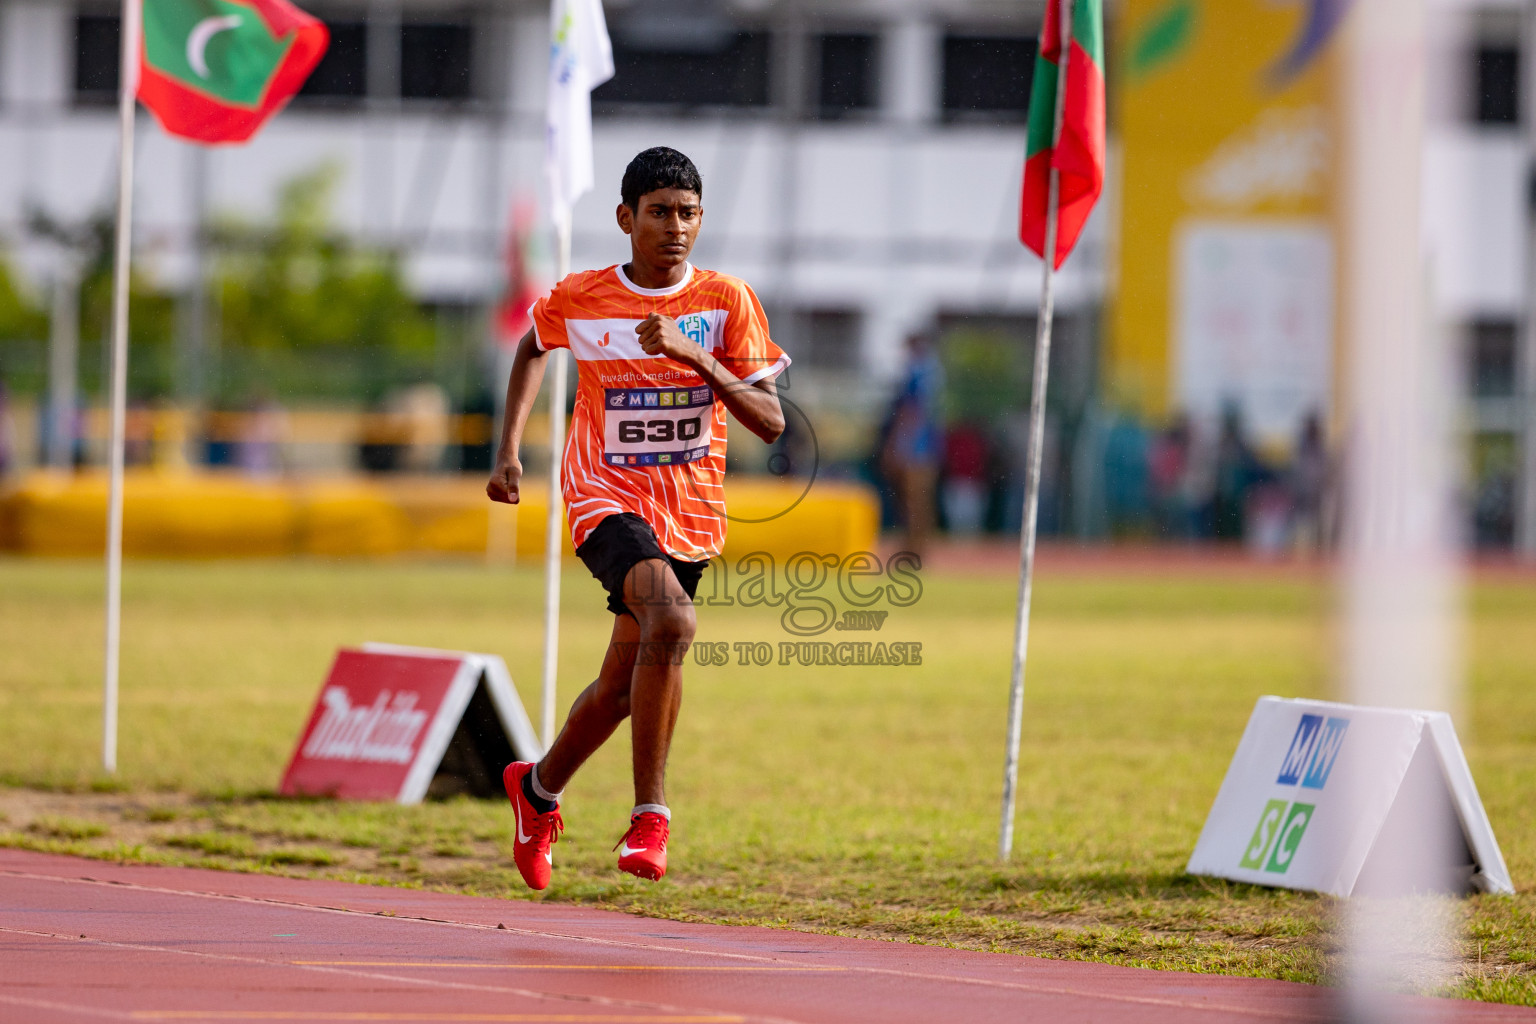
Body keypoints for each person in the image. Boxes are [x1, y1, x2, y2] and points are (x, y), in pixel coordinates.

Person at [486, 148, 789, 890]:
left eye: (687, 213)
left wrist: (697, 358)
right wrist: (508, 451)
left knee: (623, 689)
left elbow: (773, 422)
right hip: (603, 495)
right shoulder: (584, 297)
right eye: (659, 212)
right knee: (675, 623)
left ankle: (537, 790)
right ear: (627, 219)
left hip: (688, 510)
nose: (675, 227)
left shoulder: (727, 301)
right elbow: (532, 343)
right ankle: (650, 816)